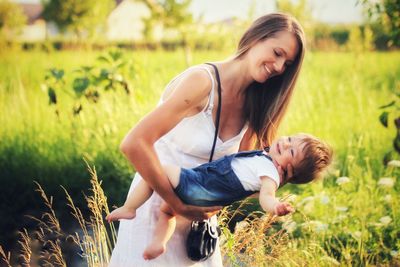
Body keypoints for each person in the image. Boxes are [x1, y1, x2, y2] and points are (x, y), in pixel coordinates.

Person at [109, 12, 306, 266]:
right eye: (278, 53)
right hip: (154, 213)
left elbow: (243, 178)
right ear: (256, 38)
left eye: (287, 64)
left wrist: (280, 175)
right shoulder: (202, 82)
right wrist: (178, 205)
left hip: (199, 228)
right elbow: (133, 143)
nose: (279, 68)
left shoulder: (255, 104)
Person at [107, 133, 332, 260]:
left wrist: (275, 207)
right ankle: (159, 242)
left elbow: (266, 196)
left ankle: (130, 207)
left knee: (157, 170)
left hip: (199, 186)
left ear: (287, 171)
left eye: (291, 151)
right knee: (167, 211)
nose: (285, 143)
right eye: (290, 139)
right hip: (205, 198)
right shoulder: (266, 158)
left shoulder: (270, 174)